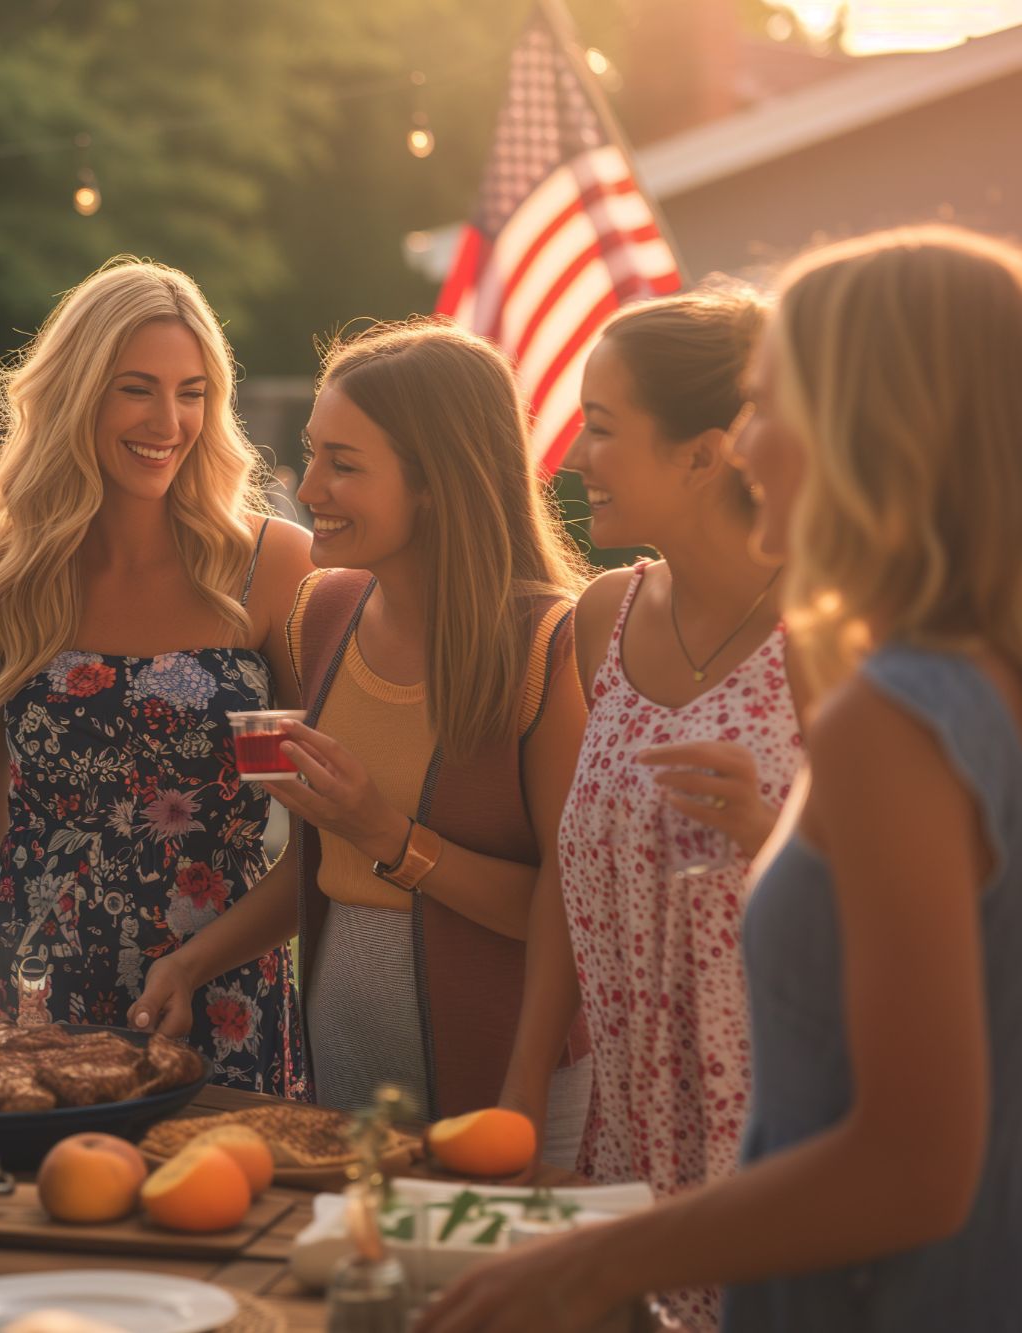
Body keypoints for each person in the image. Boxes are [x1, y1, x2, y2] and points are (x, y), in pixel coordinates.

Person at [420, 225, 1022, 1332]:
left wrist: (584, 1262)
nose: (746, 448)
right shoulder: (979, 678)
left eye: (771, 405)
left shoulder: (891, 714)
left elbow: (912, 1162)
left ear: (876, 428)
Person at [132, 321, 591, 1147]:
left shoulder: (550, 645)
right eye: (312, 454)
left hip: (518, 1084)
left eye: (343, 465)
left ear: (438, 483)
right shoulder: (322, 611)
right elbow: (321, 860)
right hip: (344, 1070)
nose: (307, 489)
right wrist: (190, 964)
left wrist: (387, 833)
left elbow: (573, 904)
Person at [0, 258, 316, 1094]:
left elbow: (321, 829)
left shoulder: (272, 566)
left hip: (222, 990)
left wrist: (197, 964)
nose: (169, 420)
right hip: (37, 994)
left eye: (192, 391)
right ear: (76, 393)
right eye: (137, 389)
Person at [495, 289, 806, 1331]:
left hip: (777, 1132)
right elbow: (564, 869)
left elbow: (912, 907)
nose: (576, 455)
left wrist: (772, 837)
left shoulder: (826, 632)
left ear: (704, 453)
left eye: (603, 426)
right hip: (624, 1132)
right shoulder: (599, 619)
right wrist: (525, 1087)